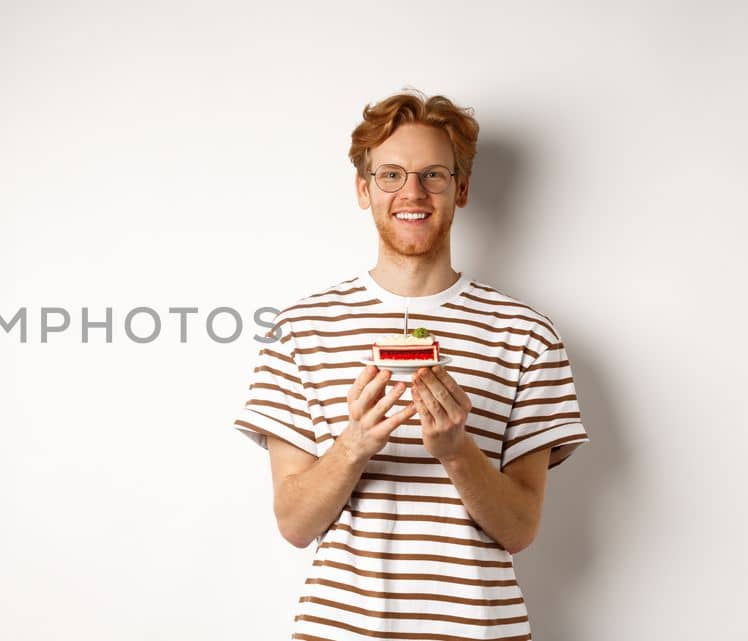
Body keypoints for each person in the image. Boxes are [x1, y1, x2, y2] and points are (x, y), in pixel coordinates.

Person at [230, 90, 590, 640]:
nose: (412, 193)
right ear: (363, 189)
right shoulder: (299, 329)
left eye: (433, 175)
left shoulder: (526, 334)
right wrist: (354, 445)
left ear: (461, 188)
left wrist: (456, 450)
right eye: (391, 175)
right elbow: (294, 524)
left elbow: (520, 529)